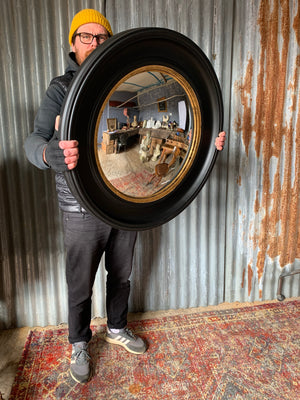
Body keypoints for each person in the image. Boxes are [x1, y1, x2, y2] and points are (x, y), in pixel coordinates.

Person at [24, 9, 226, 384]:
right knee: (79, 279)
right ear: (73, 43)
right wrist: (46, 153)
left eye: (102, 38)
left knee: (121, 274)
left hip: (125, 199)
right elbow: (33, 141)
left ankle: (116, 328)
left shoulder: (125, 83)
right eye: (86, 37)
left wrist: (205, 145)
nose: (94, 43)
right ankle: (80, 341)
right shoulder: (61, 89)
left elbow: (177, 127)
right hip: (79, 204)